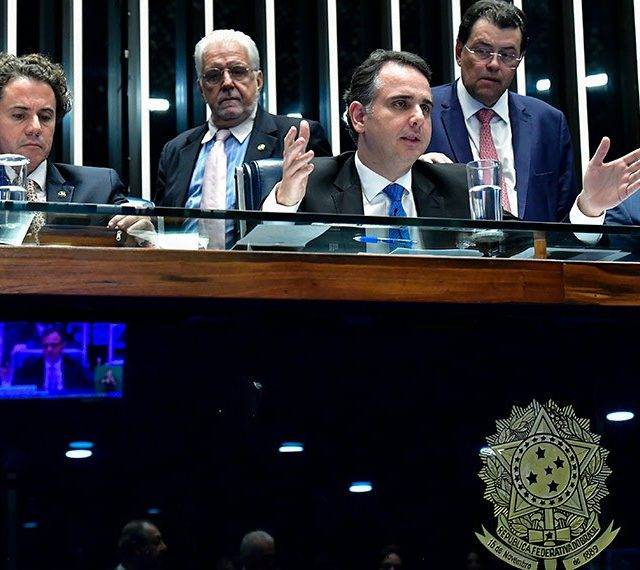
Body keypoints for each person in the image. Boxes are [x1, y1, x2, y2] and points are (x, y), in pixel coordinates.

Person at [426, 0, 640, 224]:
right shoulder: (423, 112)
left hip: (534, 248)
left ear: (519, 60)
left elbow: (564, 229)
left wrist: (589, 207)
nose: (494, 64)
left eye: (507, 55)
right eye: (482, 51)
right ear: (459, 52)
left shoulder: (548, 122)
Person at [262, 49, 469, 219]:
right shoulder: (310, 183)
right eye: (400, 104)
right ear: (359, 117)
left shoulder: (457, 186)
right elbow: (266, 252)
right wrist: (287, 202)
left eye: (425, 108)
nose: (419, 118)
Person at [154, 29, 331, 215]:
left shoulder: (298, 137)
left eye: (238, 71)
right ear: (201, 89)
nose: (227, 83)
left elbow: (326, 217)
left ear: (258, 81)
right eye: (213, 76)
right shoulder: (175, 150)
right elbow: (160, 224)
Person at [0, 53, 127, 205]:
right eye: (19, 115)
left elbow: (134, 218)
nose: (36, 127)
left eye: (45, 117)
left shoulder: (101, 187)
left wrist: (139, 221)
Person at [12, 327, 89, 393]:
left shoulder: (74, 366)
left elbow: (87, 388)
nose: (49, 349)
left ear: (62, 346)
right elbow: (16, 386)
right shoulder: (31, 366)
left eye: (54, 345)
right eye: (46, 346)